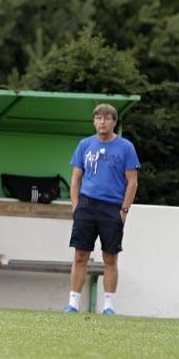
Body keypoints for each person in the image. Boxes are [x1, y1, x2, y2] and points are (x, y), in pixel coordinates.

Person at [63, 103, 139, 315]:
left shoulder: (126, 147)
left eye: (107, 118)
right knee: (80, 255)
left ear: (114, 122)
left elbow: (132, 182)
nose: (102, 122)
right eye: (98, 118)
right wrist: (76, 206)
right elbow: (75, 178)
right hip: (87, 205)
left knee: (110, 257)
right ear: (94, 121)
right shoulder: (84, 144)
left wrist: (124, 210)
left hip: (112, 207)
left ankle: (108, 305)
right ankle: (73, 303)